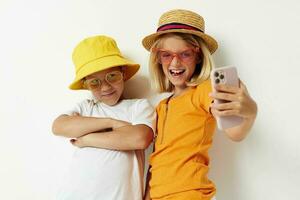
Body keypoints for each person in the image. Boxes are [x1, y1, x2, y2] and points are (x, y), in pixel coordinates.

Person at [142, 9, 257, 200]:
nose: (175, 62)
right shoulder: (162, 106)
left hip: (189, 194)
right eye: (166, 54)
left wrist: (250, 111)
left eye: (185, 54)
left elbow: (235, 133)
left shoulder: (203, 90)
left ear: (199, 57)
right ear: (157, 58)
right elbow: (157, 161)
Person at [52, 35, 155, 200]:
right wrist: (111, 123)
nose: (106, 87)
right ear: (86, 84)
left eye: (112, 76)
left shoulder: (138, 107)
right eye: (94, 82)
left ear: (122, 73)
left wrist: (87, 139)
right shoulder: (87, 107)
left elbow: (140, 138)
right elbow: (58, 126)